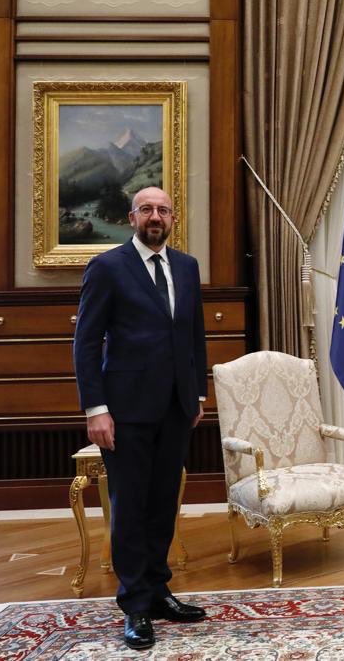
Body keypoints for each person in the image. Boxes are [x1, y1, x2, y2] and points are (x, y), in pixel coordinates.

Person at [73, 187, 208, 649]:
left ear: (173, 217)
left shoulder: (187, 267)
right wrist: (96, 409)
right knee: (130, 506)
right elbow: (86, 344)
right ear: (132, 217)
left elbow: (194, 336)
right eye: (147, 209)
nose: (156, 216)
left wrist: (198, 395)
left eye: (163, 209)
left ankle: (157, 591)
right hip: (124, 410)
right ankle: (134, 605)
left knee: (162, 501)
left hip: (177, 407)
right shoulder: (107, 267)